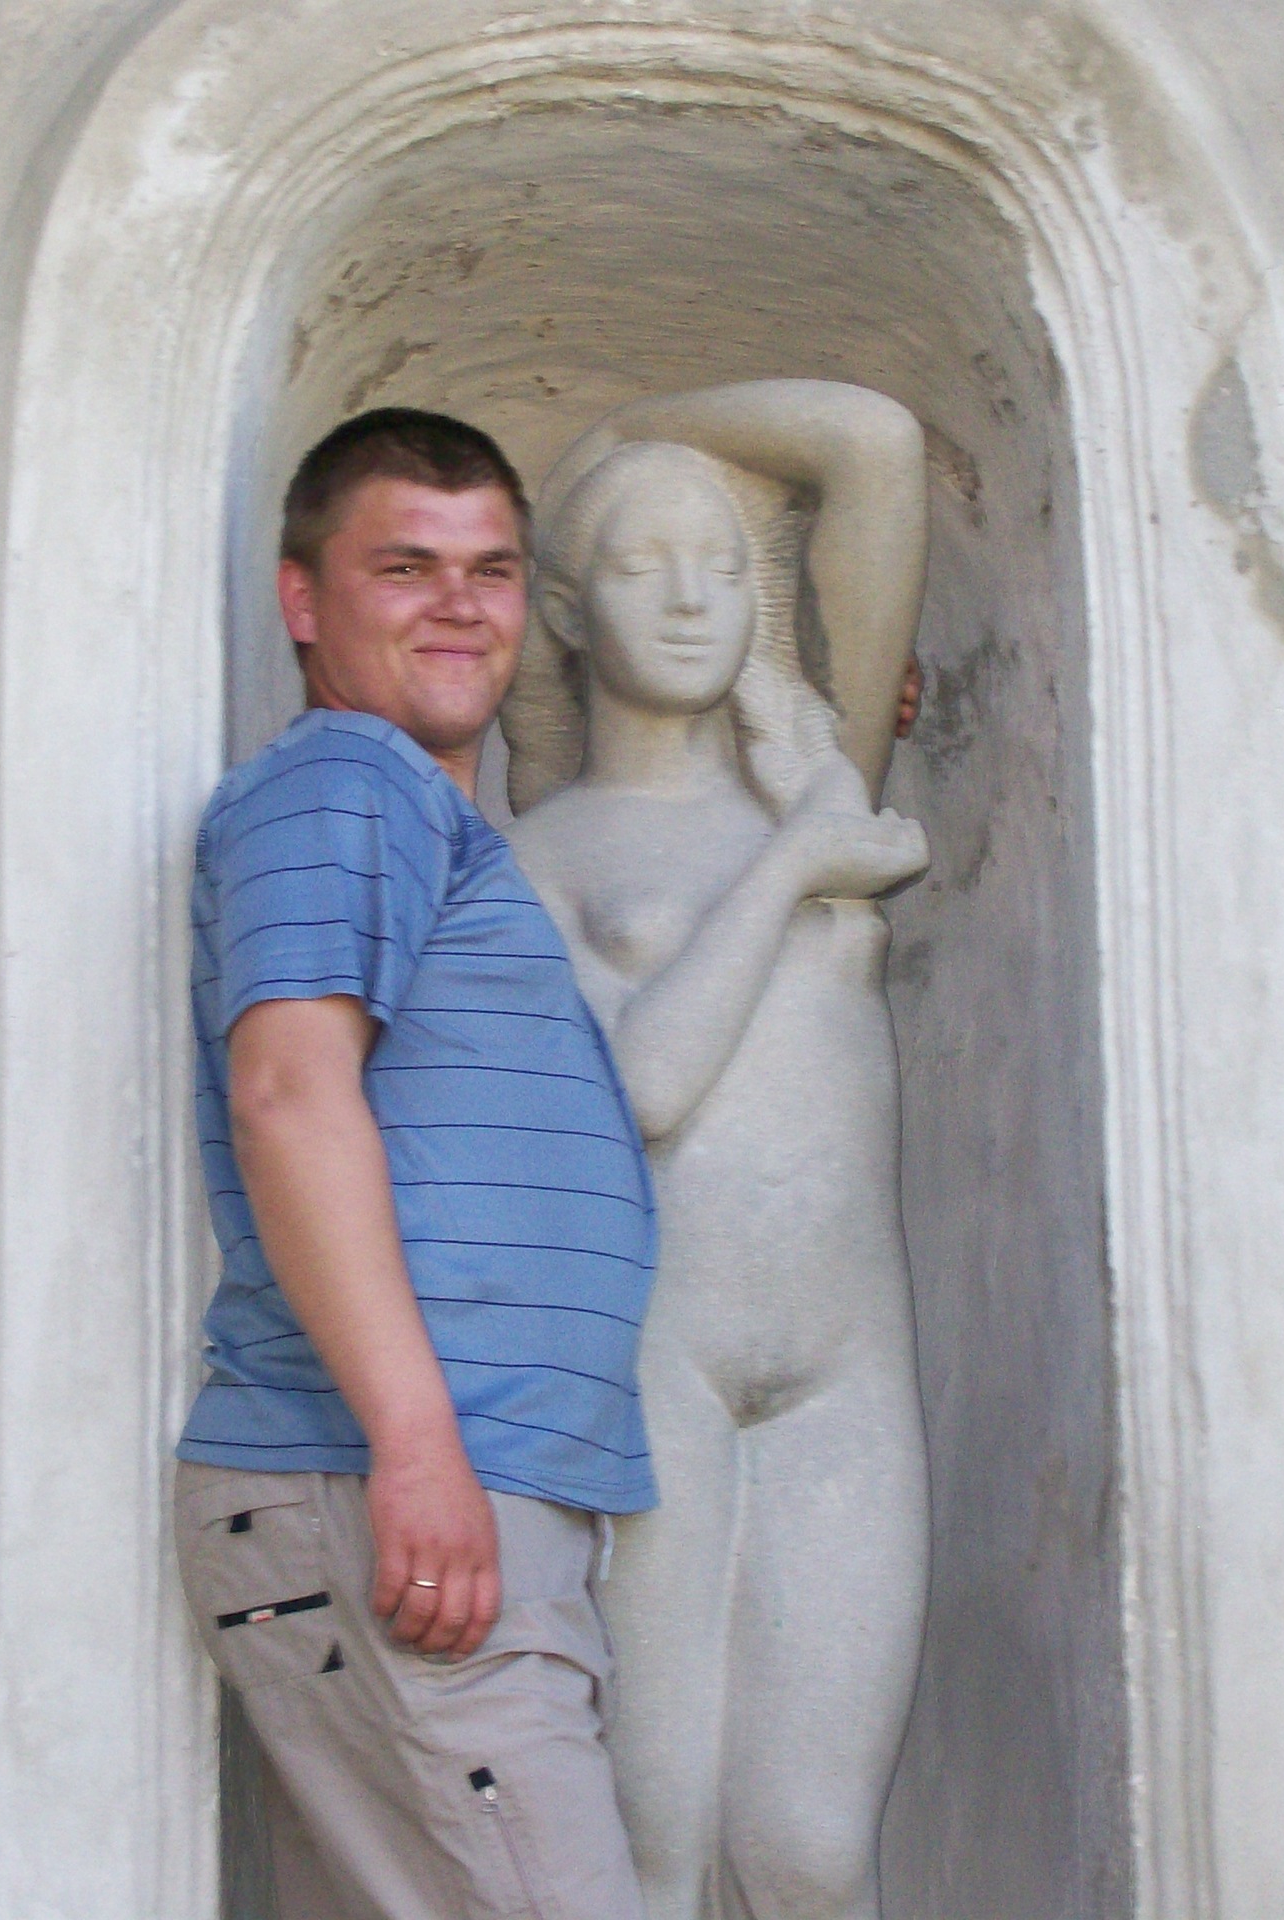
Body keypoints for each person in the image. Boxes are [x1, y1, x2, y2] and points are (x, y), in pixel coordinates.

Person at [174, 409, 656, 1920]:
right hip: (395, 1485)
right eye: (405, 567)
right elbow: (288, 1094)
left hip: (418, 1492)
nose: (458, 603)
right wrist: (418, 1443)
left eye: (490, 570)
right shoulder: (348, 781)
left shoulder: (411, 816)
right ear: (302, 601)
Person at [502, 380, 932, 1920]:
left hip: (844, 1363)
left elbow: (872, 445)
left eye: (726, 564)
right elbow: (646, 1086)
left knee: (813, 1854)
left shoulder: (818, 778)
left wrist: (635, 432)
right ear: (565, 608)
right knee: (656, 1843)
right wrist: (797, 865)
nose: (693, 597)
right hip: (652, 1360)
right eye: (640, 562)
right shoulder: (539, 848)